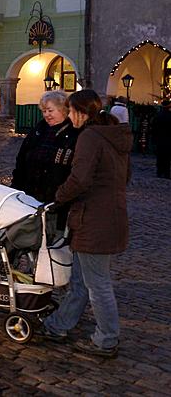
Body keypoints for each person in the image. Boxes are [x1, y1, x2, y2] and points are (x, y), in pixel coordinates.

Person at [40, 89, 132, 358]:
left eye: (70, 111)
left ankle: (106, 339)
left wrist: (58, 197)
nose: (69, 116)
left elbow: (80, 179)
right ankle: (59, 325)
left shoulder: (90, 137)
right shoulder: (114, 136)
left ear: (81, 113)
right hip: (109, 215)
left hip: (94, 219)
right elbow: (125, 176)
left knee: (97, 284)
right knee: (81, 280)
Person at [11, 91, 80, 228]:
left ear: (63, 110)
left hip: (56, 199)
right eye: (44, 111)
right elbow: (22, 160)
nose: (46, 115)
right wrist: (16, 188)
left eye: (50, 110)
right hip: (30, 194)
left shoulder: (73, 134)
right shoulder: (38, 130)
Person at [152, 99, 171, 178]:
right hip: (169, 139)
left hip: (160, 139)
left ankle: (159, 172)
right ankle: (167, 173)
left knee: (160, 157)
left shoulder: (158, 116)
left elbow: (154, 128)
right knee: (167, 157)